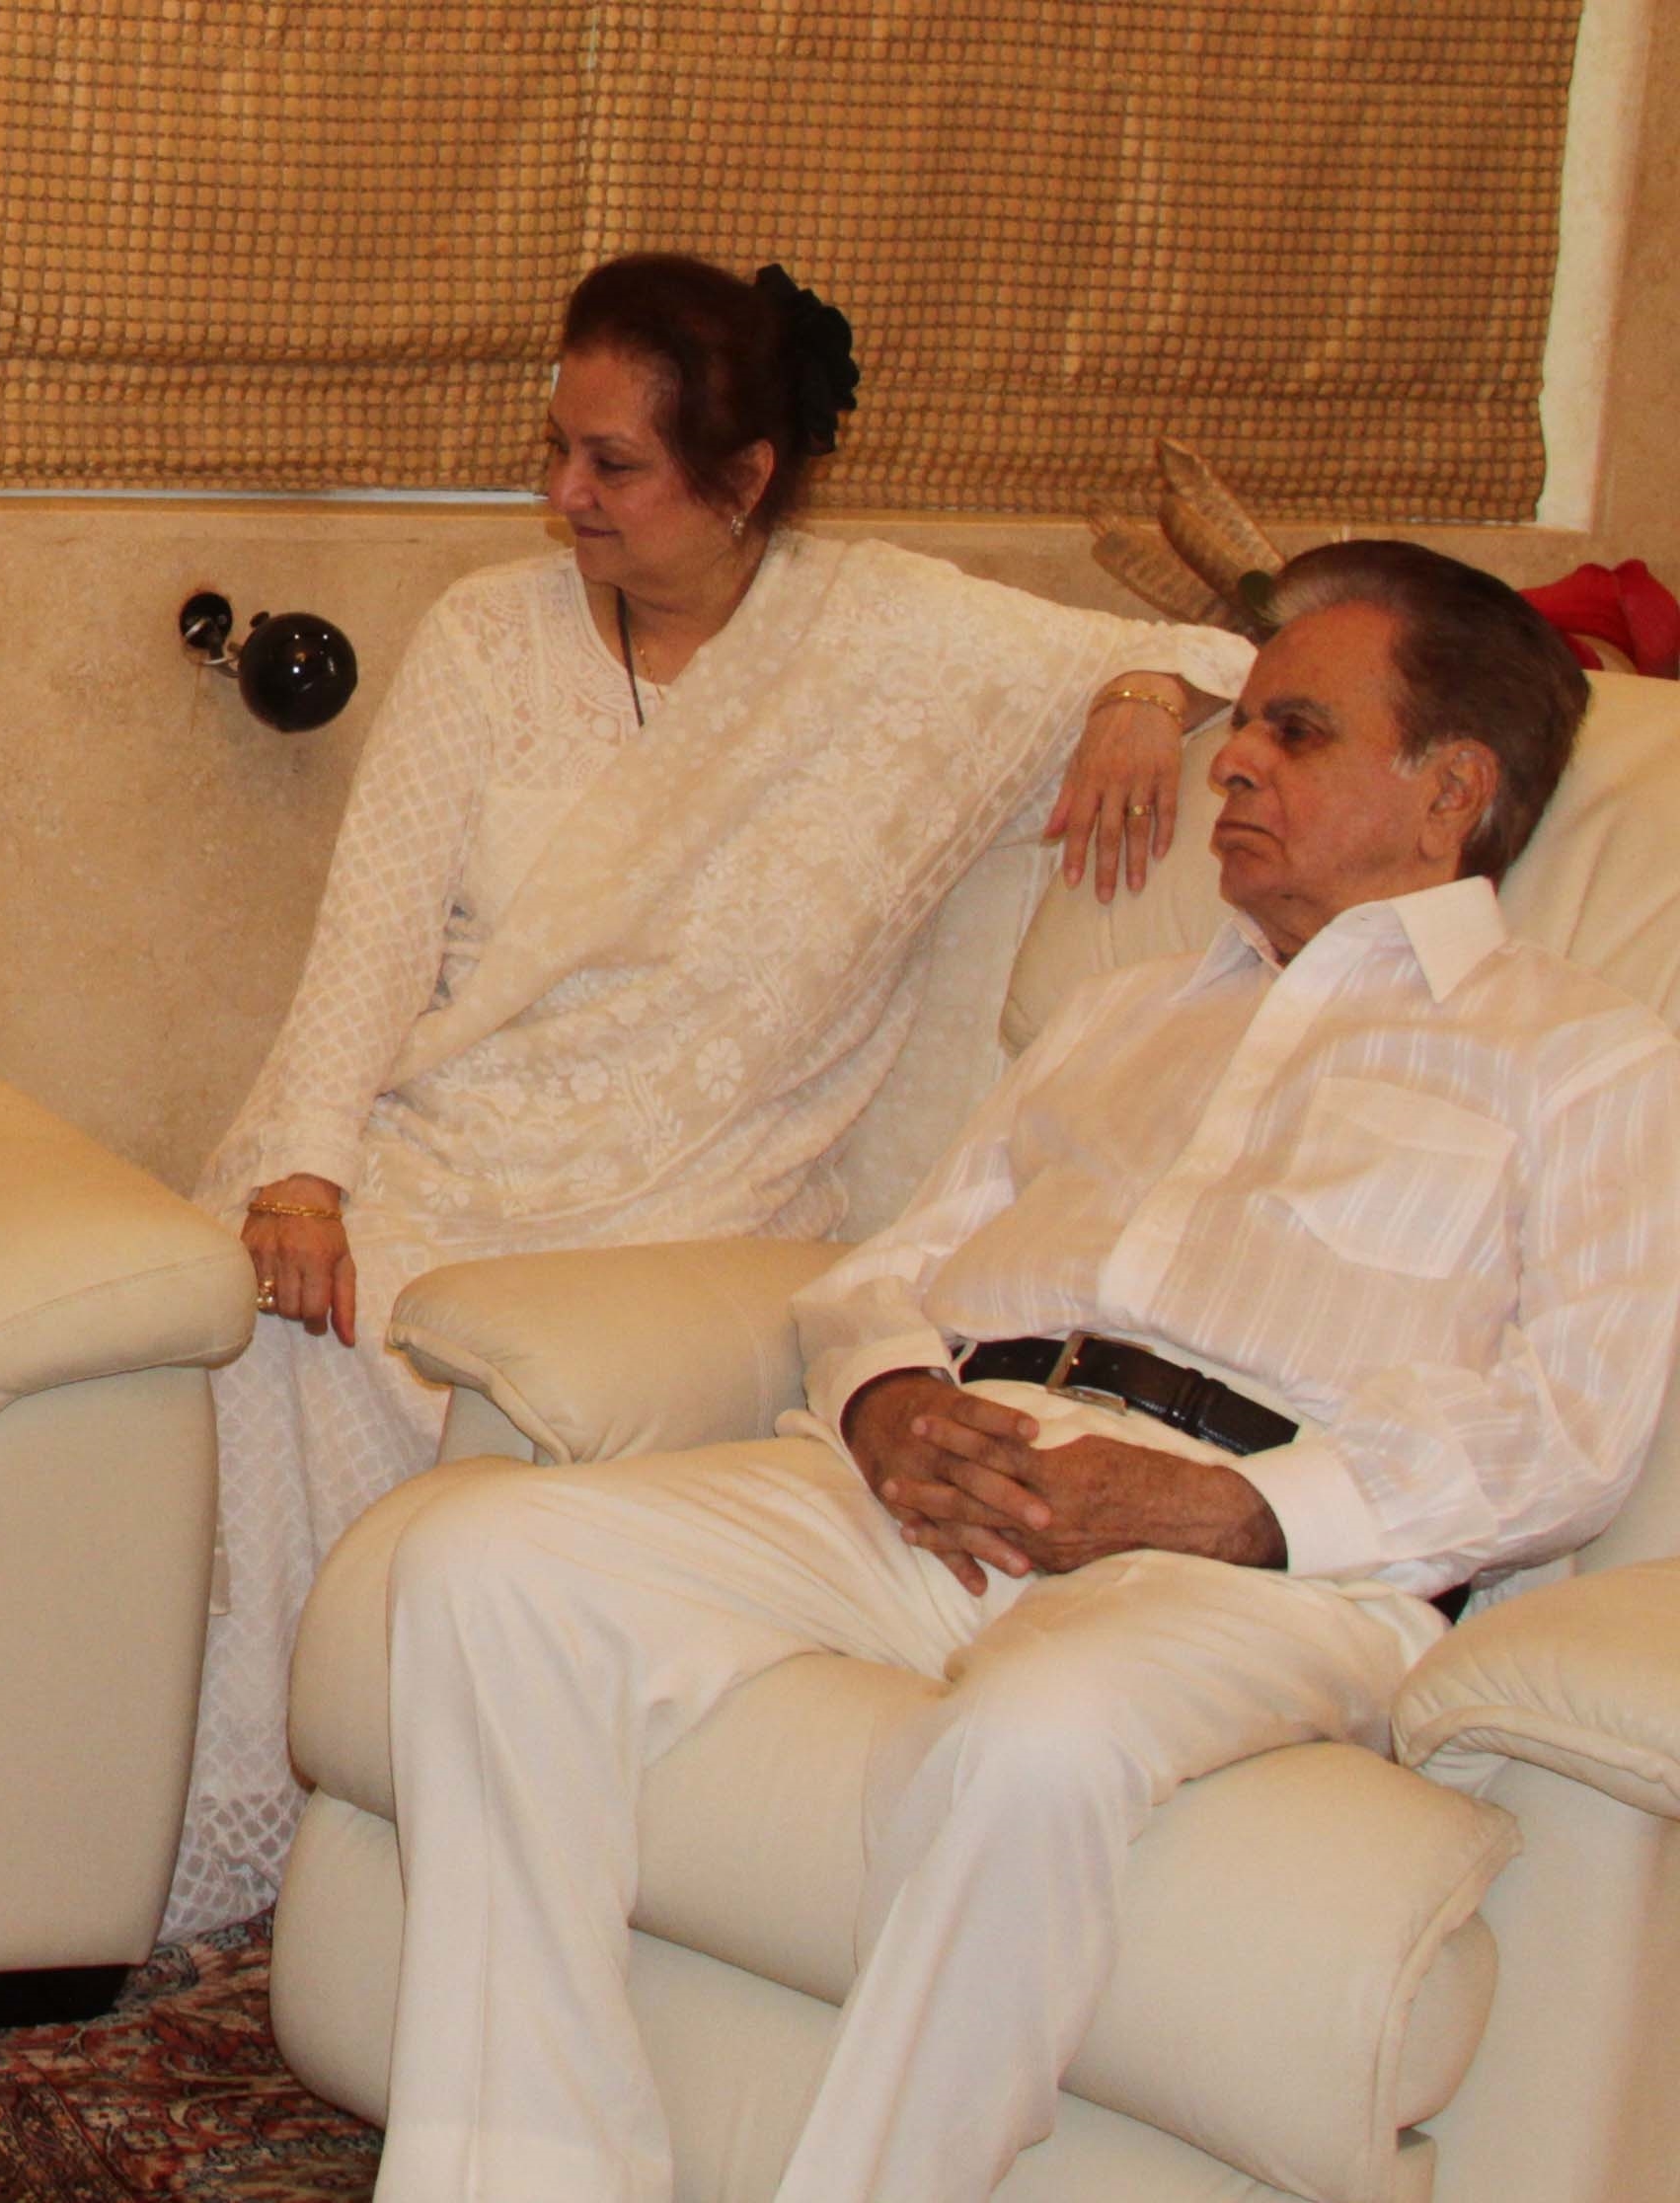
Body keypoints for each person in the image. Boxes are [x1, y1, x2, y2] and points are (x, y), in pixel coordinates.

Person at [371, 540, 1680, 2203]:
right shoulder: (1129, 1012)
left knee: (1035, 1738)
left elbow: (1574, 1424)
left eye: (1298, 731)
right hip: (952, 1470)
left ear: (1451, 795)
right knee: (491, 1560)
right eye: (1245, 729)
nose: (1242, 764)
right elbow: (888, 1276)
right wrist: (890, 1400)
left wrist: (1231, 1510)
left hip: (1256, 1568)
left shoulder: (1582, 1058)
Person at [168, 253, 1261, 1933]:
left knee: (352, 1349)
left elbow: (1211, 643)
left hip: (691, 1196)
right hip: (440, 1144)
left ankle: (385, 1827)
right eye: (557, 448)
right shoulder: (487, 636)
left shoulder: (891, 634)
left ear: (745, 482)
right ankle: (253, 1826)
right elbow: (371, 939)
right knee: (252, 1318)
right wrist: (303, 1173)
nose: (562, 495)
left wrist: (1136, 695)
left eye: (613, 466)